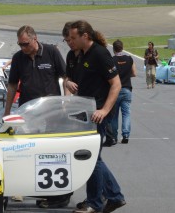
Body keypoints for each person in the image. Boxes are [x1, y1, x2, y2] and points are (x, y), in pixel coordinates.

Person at [62, 20, 126, 213]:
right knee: (90, 157)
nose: (70, 41)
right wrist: (67, 84)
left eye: (73, 38)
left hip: (97, 113)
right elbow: (69, 78)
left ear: (85, 36)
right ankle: (113, 196)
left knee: (90, 158)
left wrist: (104, 110)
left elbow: (116, 85)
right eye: (68, 39)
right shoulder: (75, 56)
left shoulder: (99, 53)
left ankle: (95, 203)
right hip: (82, 113)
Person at [2, 25, 67, 209]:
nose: (23, 48)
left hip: (51, 112)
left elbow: (65, 77)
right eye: (20, 44)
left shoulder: (52, 52)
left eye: (25, 44)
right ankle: (21, 188)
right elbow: (12, 85)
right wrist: (8, 113)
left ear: (35, 38)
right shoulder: (18, 57)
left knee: (50, 153)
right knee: (26, 151)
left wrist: (66, 104)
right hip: (28, 112)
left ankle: (51, 194)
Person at [111, 39, 136, 144]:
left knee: (114, 114)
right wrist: (126, 76)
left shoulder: (111, 60)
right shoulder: (129, 59)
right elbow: (134, 73)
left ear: (113, 49)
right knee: (126, 113)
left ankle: (114, 136)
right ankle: (125, 135)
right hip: (126, 88)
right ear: (122, 47)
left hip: (115, 89)